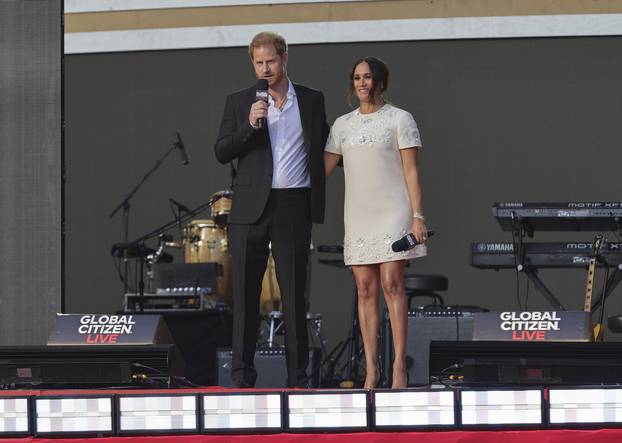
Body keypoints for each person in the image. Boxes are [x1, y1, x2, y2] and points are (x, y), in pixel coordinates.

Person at [214, 32, 329, 388]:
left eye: (271, 61)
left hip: (293, 203)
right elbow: (221, 151)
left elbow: (327, 143)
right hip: (249, 209)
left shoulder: (310, 100)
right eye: (259, 63)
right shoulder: (240, 102)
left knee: (294, 295)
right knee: (246, 298)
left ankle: (297, 378)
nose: (265, 69)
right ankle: (243, 376)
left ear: (285, 58)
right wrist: (250, 124)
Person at [324, 56, 428, 389]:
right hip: (358, 214)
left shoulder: (400, 119)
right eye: (357, 78)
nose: (362, 83)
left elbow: (411, 172)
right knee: (364, 290)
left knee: (392, 284)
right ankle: (371, 369)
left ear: (380, 81)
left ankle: (399, 366)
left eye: (368, 77)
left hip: (394, 210)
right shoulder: (342, 125)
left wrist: (418, 216)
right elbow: (320, 170)